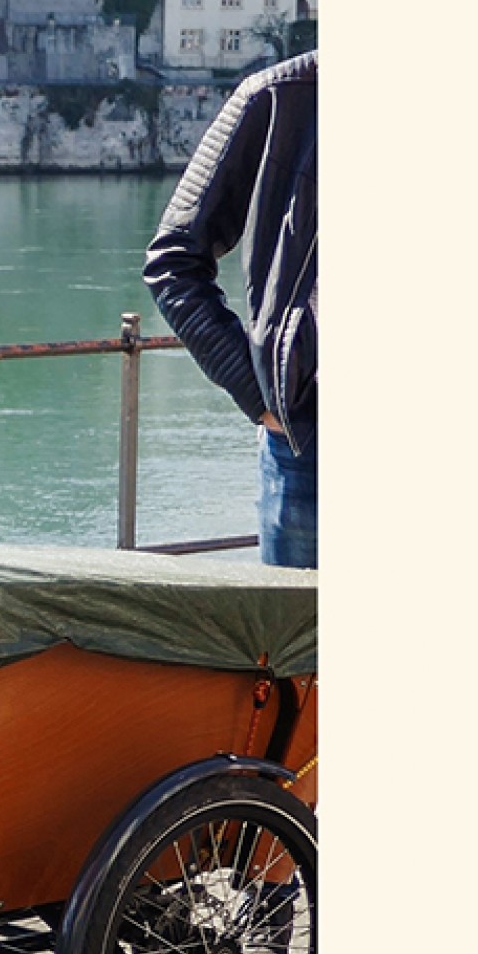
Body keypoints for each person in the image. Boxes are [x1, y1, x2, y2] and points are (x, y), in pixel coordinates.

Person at [143, 51, 317, 568]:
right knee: (301, 644)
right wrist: (261, 394)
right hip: (314, 448)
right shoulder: (280, 98)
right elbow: (174, 260)